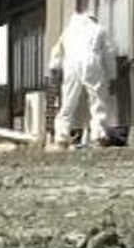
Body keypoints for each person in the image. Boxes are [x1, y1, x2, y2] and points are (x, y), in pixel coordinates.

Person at [49, 9, 117, 149]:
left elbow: (56, 51)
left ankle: (61, 137)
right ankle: (99, 135)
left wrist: (54, 67)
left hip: (71, 64)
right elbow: (109, 53)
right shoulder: (99, 29)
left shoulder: (68, 31)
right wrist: (111, 75)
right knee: (97, 99)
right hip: (92, 62)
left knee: (68, 101)